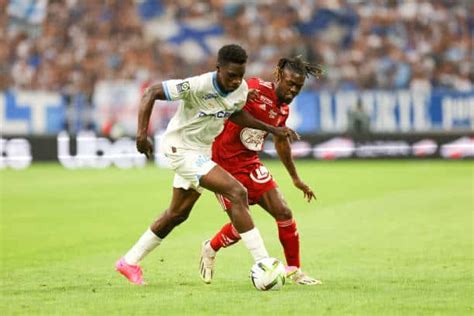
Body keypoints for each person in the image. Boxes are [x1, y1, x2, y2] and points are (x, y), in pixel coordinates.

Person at [115, 44, 298, 285]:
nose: (235, 81)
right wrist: (141, 134)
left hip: (201, 151)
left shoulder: (240, 89)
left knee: (177, 214)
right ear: (218, 69)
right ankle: (263, 262)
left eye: (240, 76)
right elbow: (151, 92)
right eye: (231, 75)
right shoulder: (197, 85)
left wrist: (272, 129)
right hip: (179, 148)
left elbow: (235, 113)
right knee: (237, 191)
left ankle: (129, 261)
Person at [199, 56, 323, 285]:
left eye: (298, 87)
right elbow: (228, 106)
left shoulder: (283, 109)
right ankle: (210, 247)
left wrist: (296, 179)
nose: (293, 90)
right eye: (290, 83)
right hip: (223, 166)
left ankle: (294, 271)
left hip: (250, 163)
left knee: (284, 212)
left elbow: (281, 142)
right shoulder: (254, 87)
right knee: (241, 227)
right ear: (278, 76)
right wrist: (249, 103)